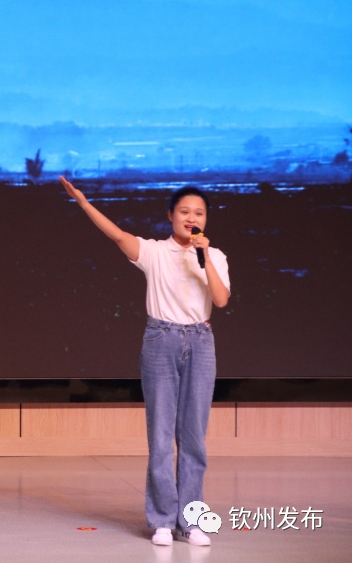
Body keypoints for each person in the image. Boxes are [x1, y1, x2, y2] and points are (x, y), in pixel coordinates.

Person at [59, 176, 230, 547]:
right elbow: (118, 236)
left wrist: (203, 259)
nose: (191, 218)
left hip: (201, 341)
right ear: (170, 215)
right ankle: (163, 520)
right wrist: (84, 203)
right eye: (184, 211)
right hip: (161, 339)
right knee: (161, 435)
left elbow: (220, 299)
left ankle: (192, 520)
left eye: (199, 213)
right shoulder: (154, 252)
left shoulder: (214, 256)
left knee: (194, 437)